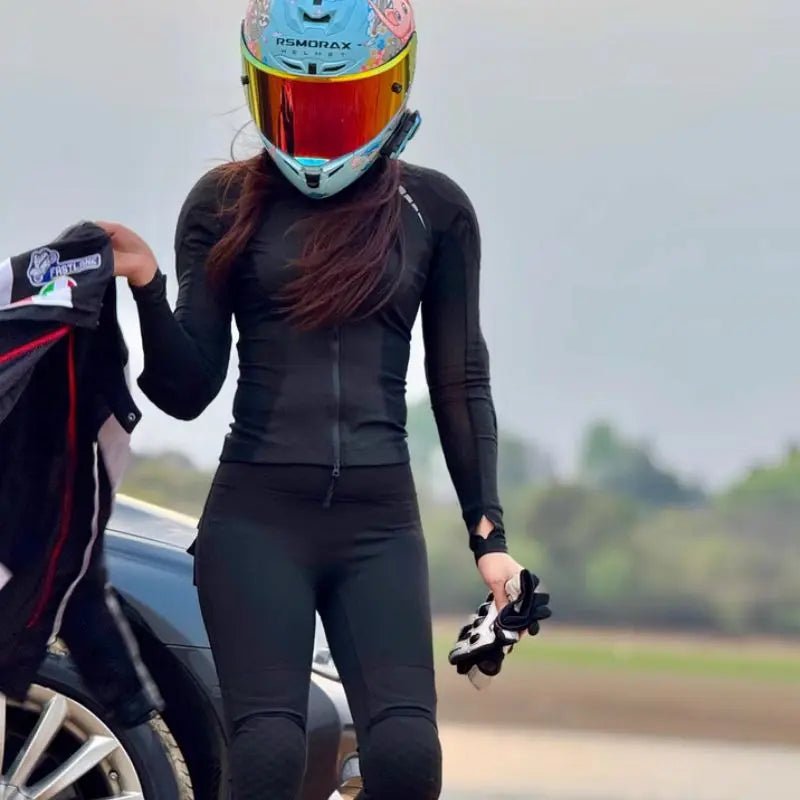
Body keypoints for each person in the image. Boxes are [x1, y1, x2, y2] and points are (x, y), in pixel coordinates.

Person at [102, 1, 531, 797]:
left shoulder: (434, 210)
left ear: (393, 88)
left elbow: (459, 380)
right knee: (269, 754)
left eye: (343, 107)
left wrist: (490, 538)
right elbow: (186, 391)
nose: (319, 131)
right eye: (297, 103)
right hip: (256, 519)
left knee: (407, 759)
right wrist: (148, 289)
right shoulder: (223, 203)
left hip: (379, 524)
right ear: (259, 89)